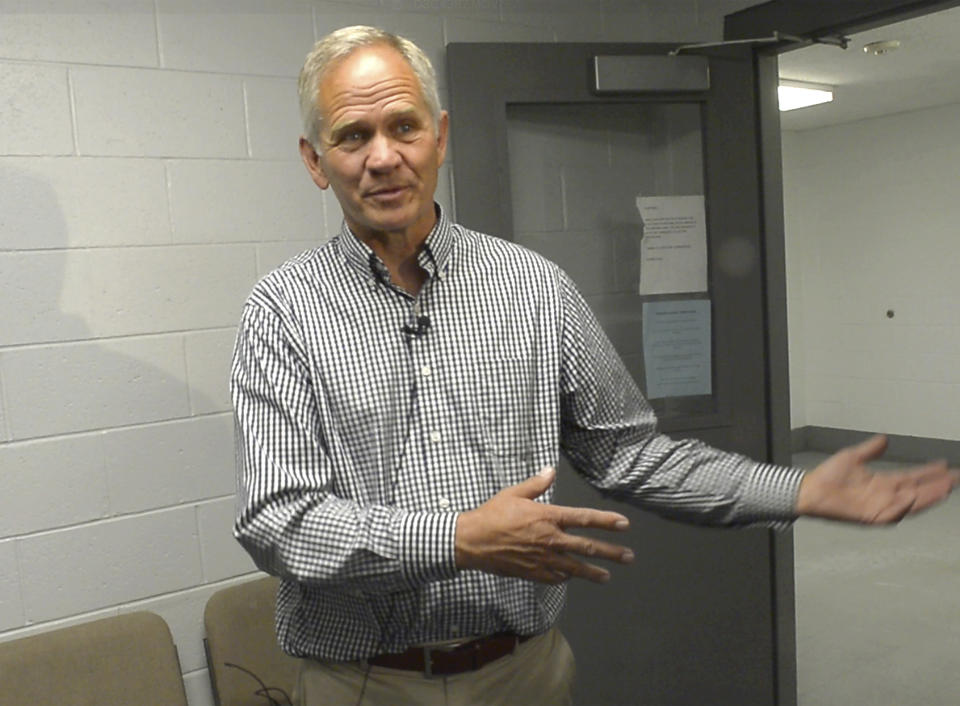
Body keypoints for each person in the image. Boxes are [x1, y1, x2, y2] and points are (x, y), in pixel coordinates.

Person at [230, 25, 958, 706]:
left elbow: (631, 454)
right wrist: (457, 539)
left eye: (403, 126)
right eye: (352, 136)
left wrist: (793, 490)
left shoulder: (533, 287)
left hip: (524, 671)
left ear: (441, 135)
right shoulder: (282, 311)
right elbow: (279, 522)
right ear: (314, 161)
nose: (382, 156)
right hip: (366, 684)